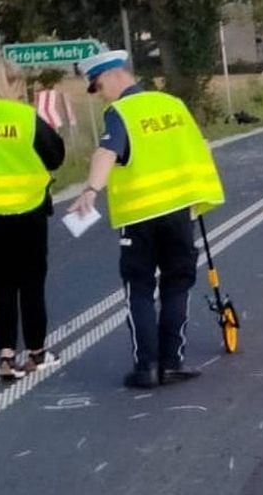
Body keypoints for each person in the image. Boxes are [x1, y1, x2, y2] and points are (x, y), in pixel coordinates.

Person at [69, 50, 225, 389]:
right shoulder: (172, 105)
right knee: (177, 283)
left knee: (139, 288)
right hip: (179, 211)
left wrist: (90, 190)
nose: (100, 96)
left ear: (112, 75)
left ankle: (147, 367)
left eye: (98, 87)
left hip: (140, 216)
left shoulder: (120, 112)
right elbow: (199, 147)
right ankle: (172, 363)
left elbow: (107, 151)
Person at [0, 59, 65, 382]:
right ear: (16, 85)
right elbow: (55, 156)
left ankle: (6, 357)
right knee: (30, 283)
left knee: (0, 284)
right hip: (27, 211)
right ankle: (37, 353)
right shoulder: (26, 118)